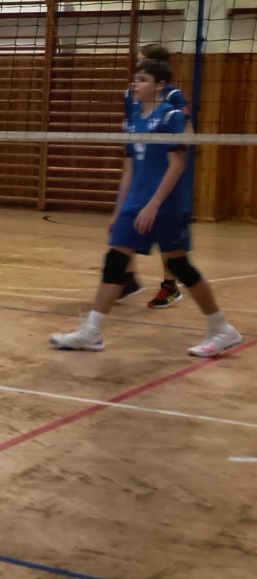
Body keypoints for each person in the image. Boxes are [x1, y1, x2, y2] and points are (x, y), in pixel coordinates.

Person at [50, 59, 242, 358]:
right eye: (135, 79)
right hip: (135, 204)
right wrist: (119, 210)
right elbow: (129, 168)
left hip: (165, 205)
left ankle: (221, 328)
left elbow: (178, 165)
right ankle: (92, 332)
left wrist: (154, 204)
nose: (135, 84)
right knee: (115, 261)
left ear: (160, 85)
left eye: (142, 80)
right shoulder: (133, 121)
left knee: (180, 266)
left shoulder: (172, 116)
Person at [116, 43, 190, 309]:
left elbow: (187, 135)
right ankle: (127, 279)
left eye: (142, 59)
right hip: (139, 167)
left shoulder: (174, 96)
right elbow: (131, 127)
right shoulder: (130, 94)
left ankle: (170, 285)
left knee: (167, 233)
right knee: (124, 223)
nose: (136, 63)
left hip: (165, 167)